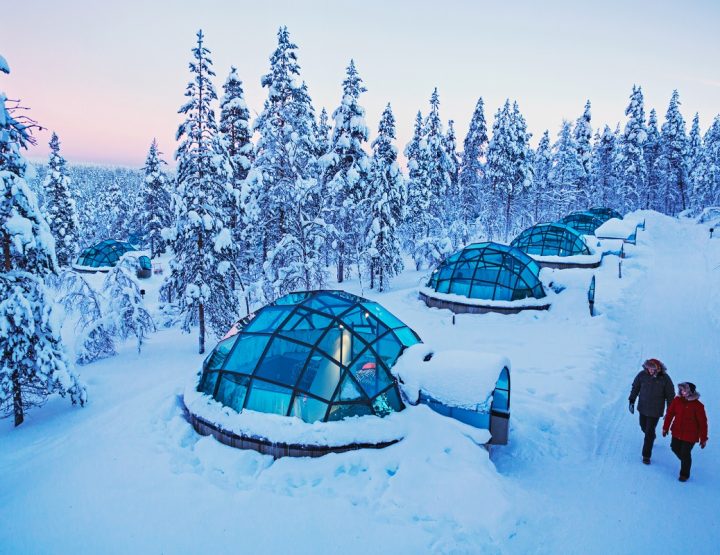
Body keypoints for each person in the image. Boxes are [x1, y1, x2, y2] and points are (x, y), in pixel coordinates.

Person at [628, 358, 674, 464]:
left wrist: (669, 411)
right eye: (649, 368)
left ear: (658, 368)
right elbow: (635, 387)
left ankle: (646, 455)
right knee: (643, 426)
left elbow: (670, 396)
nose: (651, 371)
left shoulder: (665, 379)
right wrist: (631, 400)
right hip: (643, 407)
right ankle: (652, 436)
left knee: (649, 432)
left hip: (655, 411)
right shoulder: (642, 375)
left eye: (653, 369)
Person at [663, 382, 708, 482]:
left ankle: (684, 474)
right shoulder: (677, 400)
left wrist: (703, 438)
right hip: (677, 431)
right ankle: (685, 462)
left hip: (690, 435)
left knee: (685, 452)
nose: (682, 392)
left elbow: (703, 423)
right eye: (681, 390)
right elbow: (670, 414)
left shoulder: (698, 406)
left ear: (691, 392)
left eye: (684, 390)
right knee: (674, 447)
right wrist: (665, 427)